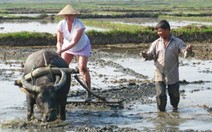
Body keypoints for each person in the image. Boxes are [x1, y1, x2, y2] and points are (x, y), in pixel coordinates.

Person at [141, 20, 192, 112]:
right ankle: (161, 113)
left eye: (161, 31)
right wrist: (145, 55)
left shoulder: (177, 42)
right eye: (158, 31)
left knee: (174, 94)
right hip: (159, 72)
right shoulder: (155, 43)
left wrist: (188, 51)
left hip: (172, 72)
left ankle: (175, 109)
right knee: (160, 94)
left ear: (168, 30)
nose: (159, 33)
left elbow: (184, 52)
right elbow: (150, 54)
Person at [56, 4, 92, 101]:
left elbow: (74, 42)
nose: (68, 17)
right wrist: (59, 49)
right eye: (66, 16)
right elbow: (59, 41)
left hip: (82, 46)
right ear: (63, 16)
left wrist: (61, 50)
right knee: (62, 68)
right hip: (67, 47)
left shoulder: (79, 25)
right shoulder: (60, 25)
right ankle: (60, 91)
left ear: (74, 16)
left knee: (83, 68)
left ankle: (89, 92)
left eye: (70, 15)